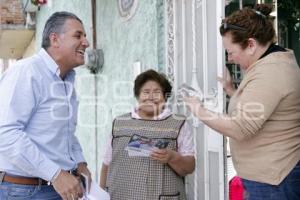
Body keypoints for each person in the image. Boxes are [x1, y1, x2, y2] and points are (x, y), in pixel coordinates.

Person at [184, 4, 300, 200]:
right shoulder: (267, 64)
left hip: (274, 182)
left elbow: (241, 127)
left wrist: (199, 110)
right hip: (267, 178)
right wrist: (231, 90)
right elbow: (259, 106)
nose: (229, 58)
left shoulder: (271, 72)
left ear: (251, 45)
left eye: (231, 51)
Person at [0, 11, 91, 200]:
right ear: (55, 39)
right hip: (24, 191)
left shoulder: (66, 81)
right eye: (78, 35)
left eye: (85, 36)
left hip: (57, 189)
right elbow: (6, 134)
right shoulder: (26, 72)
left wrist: (80, 163)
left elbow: (66, 135)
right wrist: (56, 174)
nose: (86, 42)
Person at [100, 69, 195, 200]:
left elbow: (189, 167)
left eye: (157, 92)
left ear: (165, 97)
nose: (151, 97)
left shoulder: (178, 124)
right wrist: (101, 194)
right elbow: (107, 164)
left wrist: (172, 157)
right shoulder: (119, 123)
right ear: (138, 96)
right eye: (146, 92)